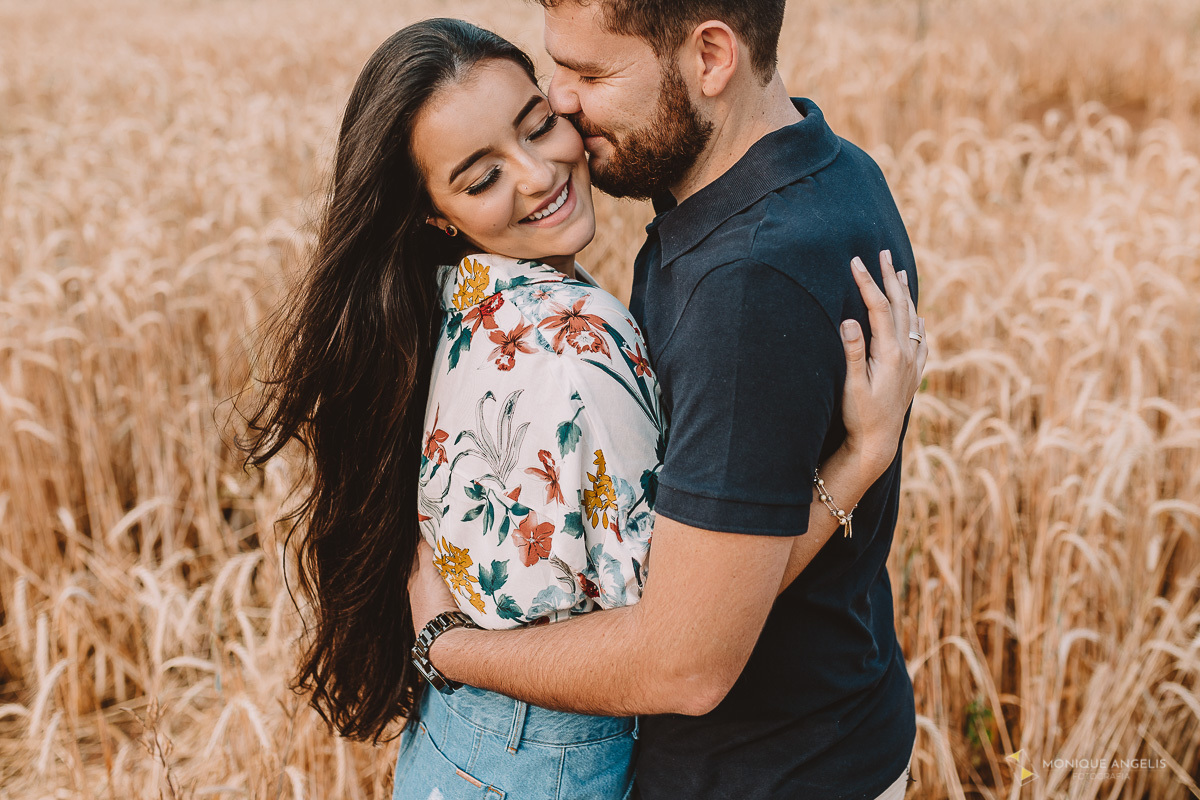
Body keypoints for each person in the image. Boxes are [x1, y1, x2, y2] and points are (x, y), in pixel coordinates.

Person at [240, 15, 924, 800]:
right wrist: (860, 459)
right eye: (481, 175)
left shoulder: (708, 291)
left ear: (710, 57)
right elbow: (675, 628)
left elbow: (684, 650)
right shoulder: (838, 168)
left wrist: (446, 644)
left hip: (741, 768)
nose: (560, 112)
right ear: (433, 211)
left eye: (580, 85)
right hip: (550, 749)